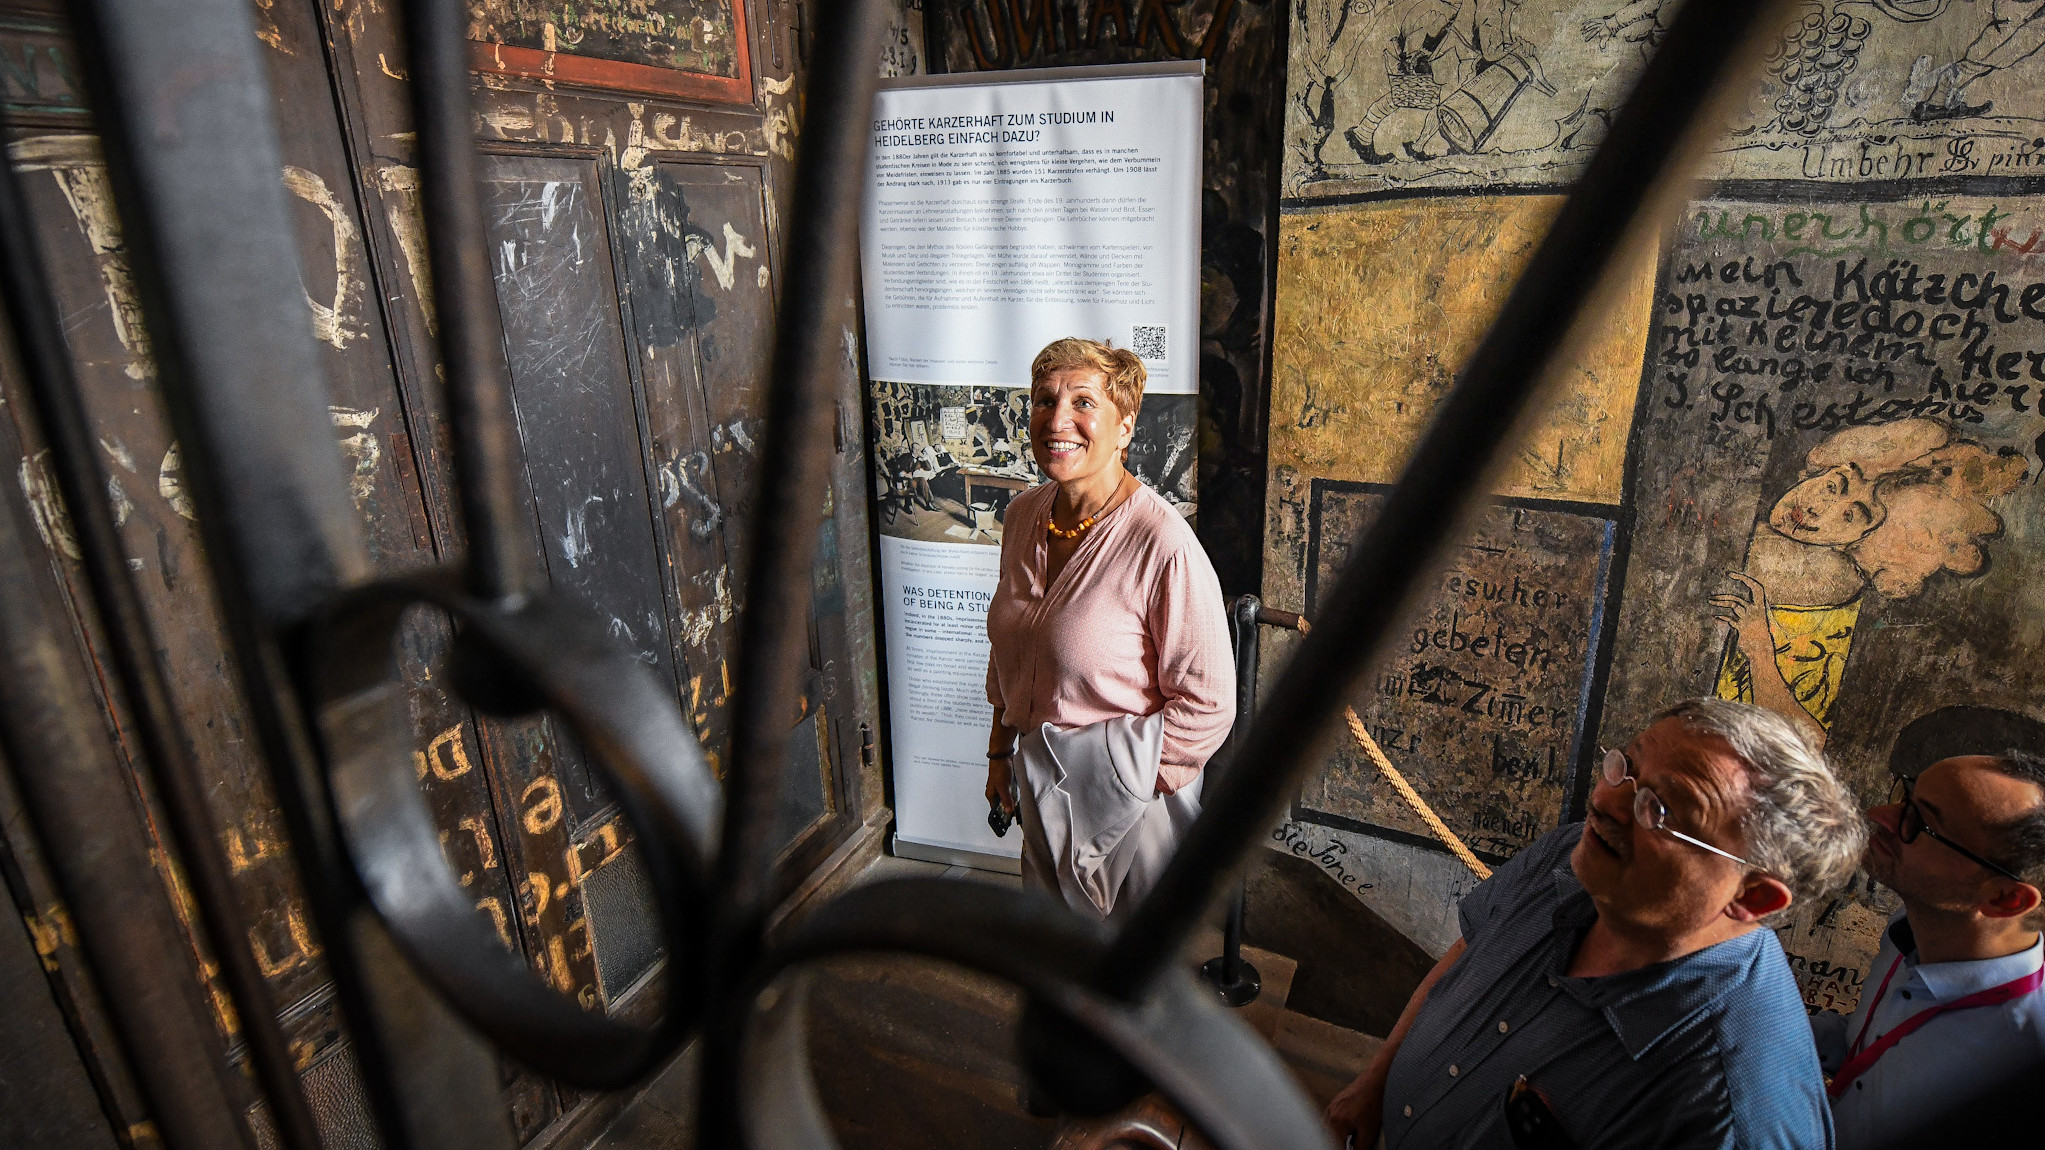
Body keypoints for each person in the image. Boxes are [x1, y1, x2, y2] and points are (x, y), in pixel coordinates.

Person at [1326, 698, 1864, 1148]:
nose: (1606, 801)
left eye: (1660, 810)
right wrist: (1376, 1080)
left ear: (1753, 897)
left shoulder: (1728, 1116)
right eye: (1625, 767)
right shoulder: (1578, 858)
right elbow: (1469, 951)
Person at [983, 337, 1232, 919]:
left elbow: (1210, 704)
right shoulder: (1022, 517)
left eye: (1083, 402)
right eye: (1044, 400)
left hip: (1131, 812)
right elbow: (1009, 653)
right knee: (1054, 955)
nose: (1057, 420)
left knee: (1126, 964)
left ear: (1124, 426)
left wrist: (1118, 786)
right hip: (1041, 790)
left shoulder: (1162, 543)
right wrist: (999, 752)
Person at [1710, 419, 2025, 748]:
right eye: (1832, 486)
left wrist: (1760, 651)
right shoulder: (1746, 526)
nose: (1815, 508)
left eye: (1849, 516)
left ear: (1861, 542)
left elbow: (1809, 744)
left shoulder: (1828, 599)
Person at [1811, 724, 2045, 1148]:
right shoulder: (1914, 926)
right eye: (1907, 798)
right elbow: (1870, 1049)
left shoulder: (2019, 1064)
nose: (1880, 815)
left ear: (2005, 898)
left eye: (1919, 823)